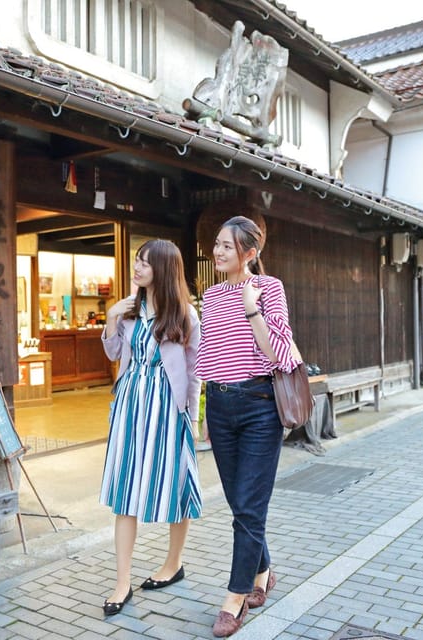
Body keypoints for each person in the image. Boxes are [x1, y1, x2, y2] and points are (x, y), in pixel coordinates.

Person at [196, 215, 299, 637]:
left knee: (249, 507)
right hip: (221, 405)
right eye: (216, 244)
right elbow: (208, 356)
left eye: (226, 246)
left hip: (259, 406)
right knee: (241, 503)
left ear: (249, 253)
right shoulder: (211, 295)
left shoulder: (269, 288)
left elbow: (276, 353)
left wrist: (252, 307)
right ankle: (265, 573)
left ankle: (235, 597)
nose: (217, 251)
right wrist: (205, 412)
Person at [98, 238, 202, 617]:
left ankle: (174, 563)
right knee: (125, 489)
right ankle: (121, 581)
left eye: (144, 262)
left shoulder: (185, 316)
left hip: (167, 409)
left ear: (163, 268)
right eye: (136, 261)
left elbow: (194, 375)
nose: (136, 267)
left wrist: (191, 419)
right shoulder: (128, 310)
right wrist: (111, 319)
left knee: (176, 485)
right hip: (130, 407)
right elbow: (113, 354)